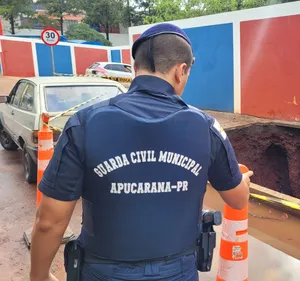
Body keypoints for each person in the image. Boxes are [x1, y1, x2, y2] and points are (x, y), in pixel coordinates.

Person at [30, 23, 254, 281]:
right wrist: (243, 182)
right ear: (181, 71)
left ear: (135, 69)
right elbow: (238, 199)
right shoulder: (206, 127)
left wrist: (40, 276)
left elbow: (49, 222)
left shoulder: (84, 124)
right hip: (177, 271)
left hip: (101, 270)